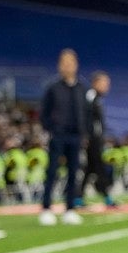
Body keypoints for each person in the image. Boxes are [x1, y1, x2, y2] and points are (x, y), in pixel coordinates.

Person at [39, 48, 87, 225]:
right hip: (58, 135)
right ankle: (46, 208)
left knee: (74, 173)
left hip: (76, 136)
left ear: (76, 65)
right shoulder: (53, 87)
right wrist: (51, 128)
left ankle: (70, 209)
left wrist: (84, 131)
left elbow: (87, 113)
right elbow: (44, 112)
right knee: (52, 171)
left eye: (71, 63)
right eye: (64, 63)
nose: (67, 67)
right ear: (60, 65)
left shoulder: (82, 87)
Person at [83, 70, 118, 207]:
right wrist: (87, 135)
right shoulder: (90, 96)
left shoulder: (96, 98)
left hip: (95, 138)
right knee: (99, 167)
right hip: (92, 139)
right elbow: (85, 117)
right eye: (105, 83)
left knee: (90, 168)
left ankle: (77, 196)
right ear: (96, 83)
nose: (107, 86)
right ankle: (106, 196)